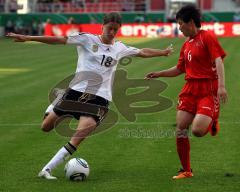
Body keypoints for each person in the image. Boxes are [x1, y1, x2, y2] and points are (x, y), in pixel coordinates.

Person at [7, 12, 173, 180]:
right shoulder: (87, 39)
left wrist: (163, 52)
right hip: (76, 93)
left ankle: (47, 169)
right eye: (109, 28)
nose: (112, 32)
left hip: (100, 99)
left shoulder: (119, 48)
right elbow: (59, 39)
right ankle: (55, 103)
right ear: (103, 26)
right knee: (46, 127)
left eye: (115, 30)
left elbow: (142, 52)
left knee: (79, 136)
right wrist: (27, 37)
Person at [145, 5, 228, 179]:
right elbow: (179, 69)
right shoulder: (186, 44)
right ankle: (186, 170)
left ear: (191, 22)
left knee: (197, 131)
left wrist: (221, 86)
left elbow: (218, 60)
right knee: (181, 129)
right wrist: (159, 74)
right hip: (190, 90)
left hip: (208, 89)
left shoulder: (207, 37)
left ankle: (213, 119)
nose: (179, 27)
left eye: (180, 23)